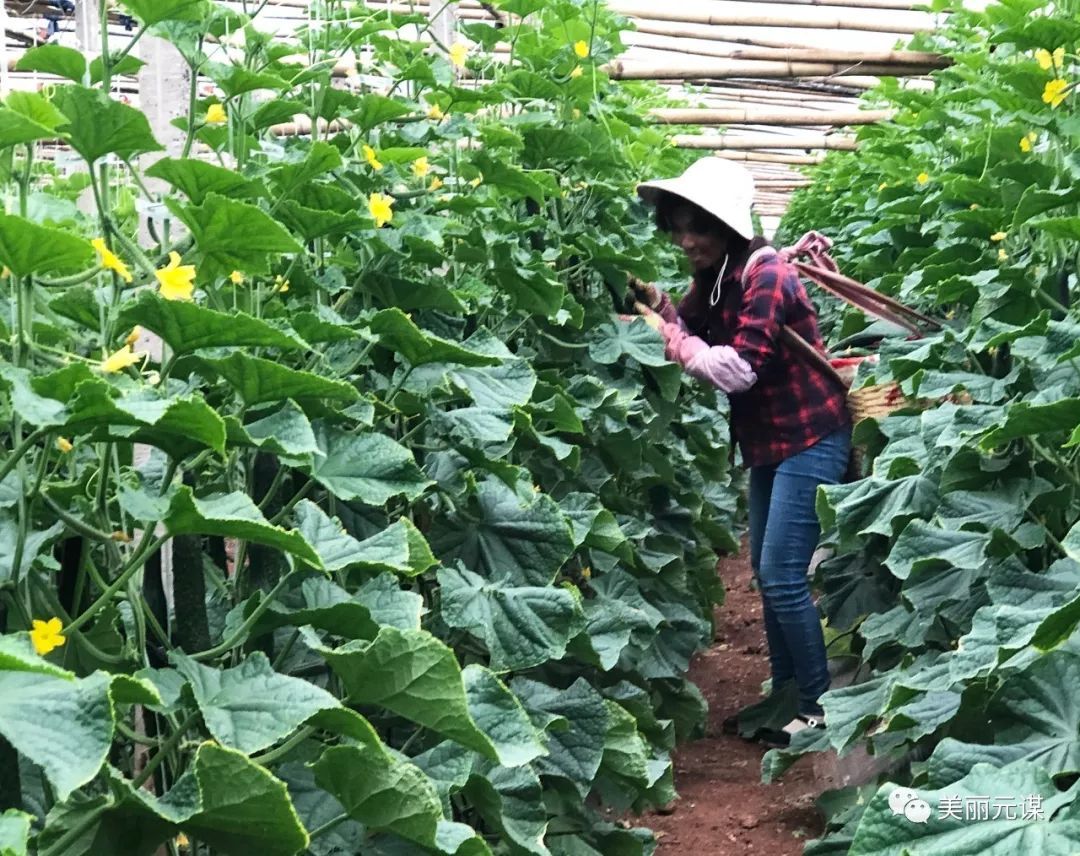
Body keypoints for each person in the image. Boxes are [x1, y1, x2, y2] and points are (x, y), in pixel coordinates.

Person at [632, 157, 852, 746]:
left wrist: (672, 339)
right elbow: (691, 322)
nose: (686, 241)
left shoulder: (767, 275)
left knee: (782, 574)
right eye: (678, 228)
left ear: (723, 225)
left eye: (695, 228)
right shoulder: (721, 276)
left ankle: (819, 708)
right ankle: (786, 699)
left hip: (812, 435)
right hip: (769, 442)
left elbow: (737, 369)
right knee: (766, 571)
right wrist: (661, 307)